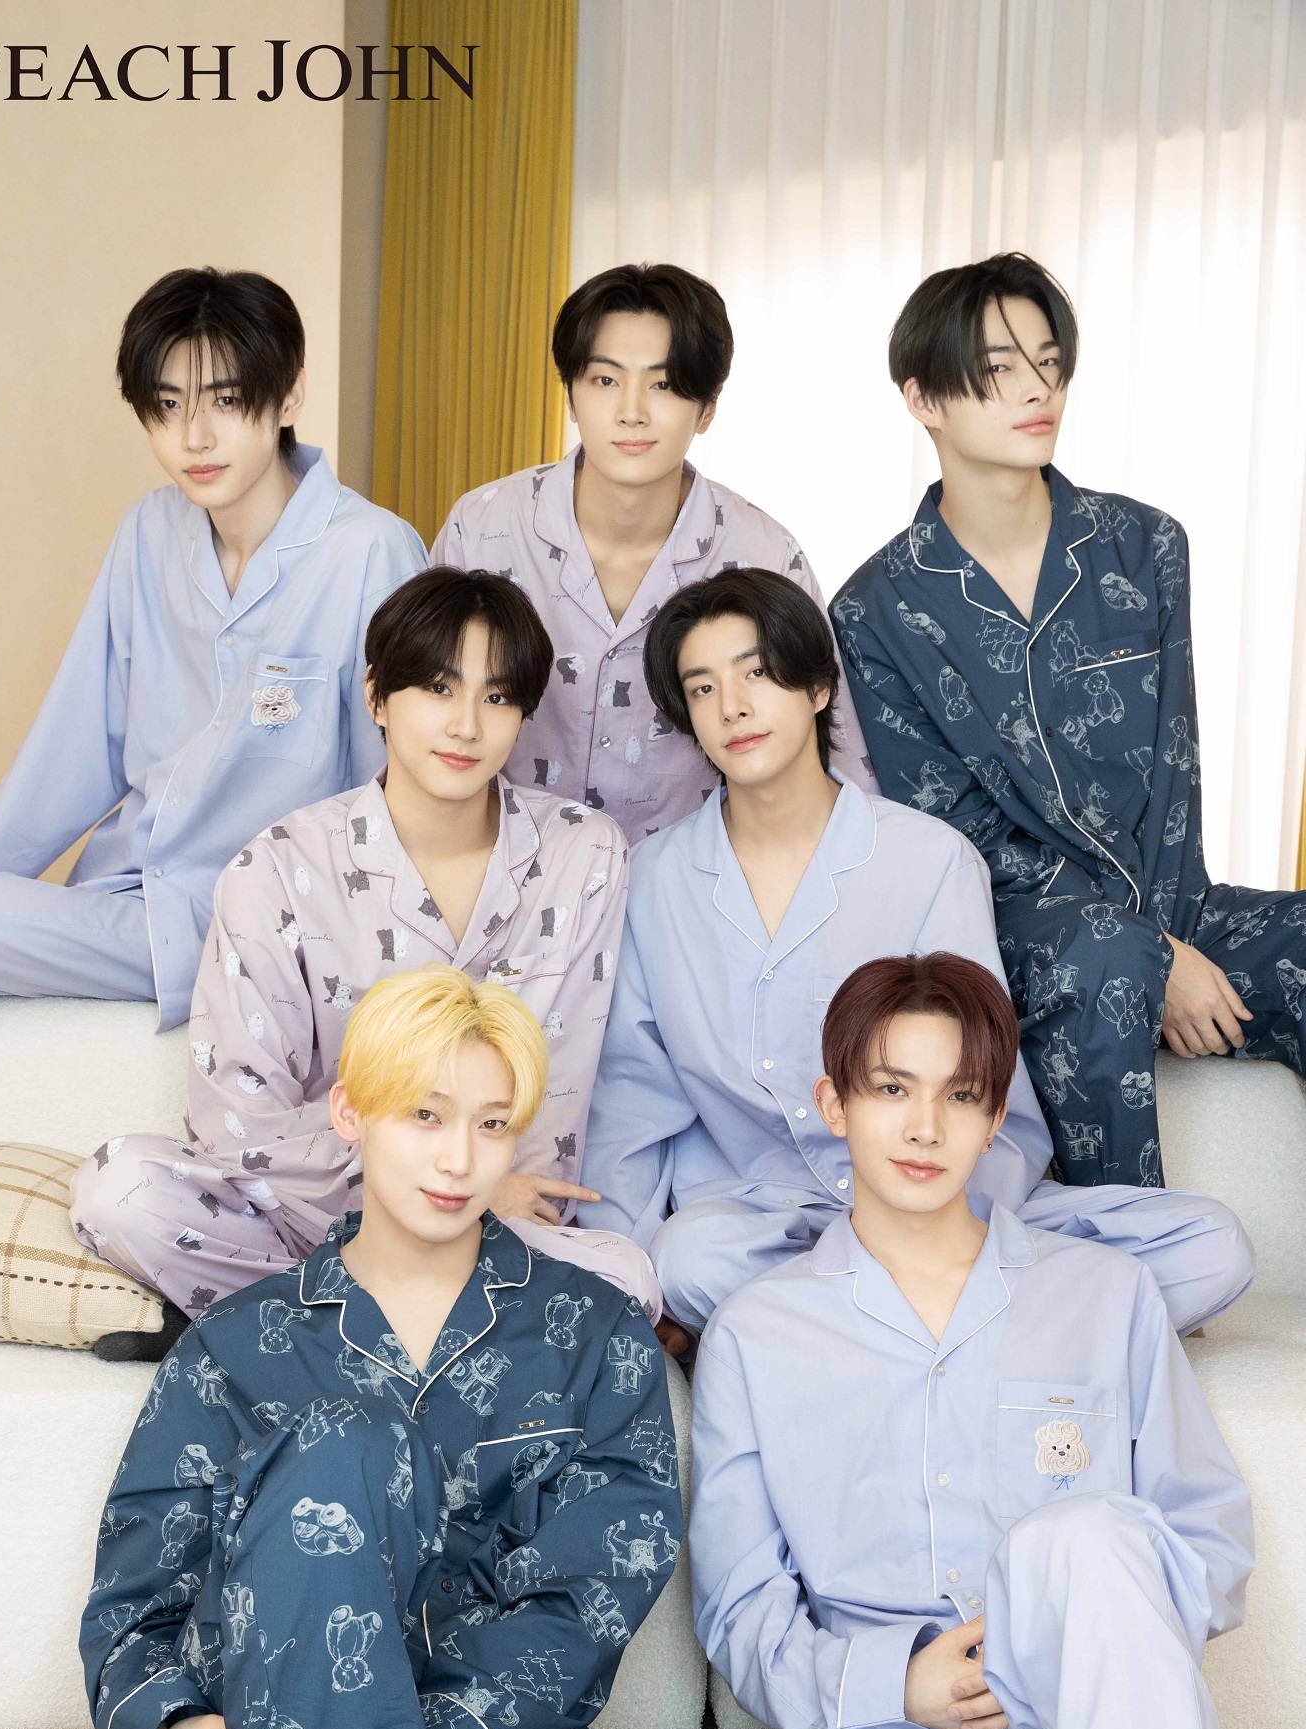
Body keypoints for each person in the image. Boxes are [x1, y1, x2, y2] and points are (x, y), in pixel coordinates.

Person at [0, 967, 708, 1729]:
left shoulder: (591, 1336)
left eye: (490, 1125)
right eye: (424, 1116)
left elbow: (588, 1602)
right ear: (351, 1114)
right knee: (349, 1439)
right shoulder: (234, 1344)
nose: (457, 1159)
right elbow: (137, 1598)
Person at [690, 951, 1306, 1729]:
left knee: (1077, 1539)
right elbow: (741, 1621)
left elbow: (1206, 1541)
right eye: (890, 1088)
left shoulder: (1103, 1296)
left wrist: (1079, 1631)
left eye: (959, 1094)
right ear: (832, 1104)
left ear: (993, 1119)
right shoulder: (754, 1337)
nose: (924, 1127)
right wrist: (899, 1681)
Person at [580, 567, 1251, 1345]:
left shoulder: (931, 860)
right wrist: (630, 1285)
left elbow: (986, 1082)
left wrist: (933, 1225)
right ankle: (969, 1336)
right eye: (702, 688)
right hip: (768, 1226)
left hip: (945, 1208)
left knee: (1211, 1245)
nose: (732, 706)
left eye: (756, 673)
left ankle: (850, 1335)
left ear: (818, 688)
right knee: (688, 1258)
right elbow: (631, 1103)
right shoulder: (654, 879)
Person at [72, 567, 656, 1357]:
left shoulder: (582, 854)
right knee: (121, 1190)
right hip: (318, 1217)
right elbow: (237, 1122)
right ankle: (407, 1335)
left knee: (627, 1281)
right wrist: (402, 1176)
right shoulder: (277, 868)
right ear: (377, 696)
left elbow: (554, 1092)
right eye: (438, 689)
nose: (466, 725)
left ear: (523, 714)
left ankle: (297, 1334)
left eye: (495, 697)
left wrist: (475, 1187)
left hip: (494, 1217)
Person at [831, 250, 1306, 1187]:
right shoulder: (876, 610)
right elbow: (955, 832)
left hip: (1172, 902)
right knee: (1105, 956)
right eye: (999, 369)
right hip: (1023, 935)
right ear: (923, 399)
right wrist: (1153, 955)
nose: (1036, 389)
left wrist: (1171, 935)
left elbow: (1175, 770)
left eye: (1049, 363)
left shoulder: (1144, 547)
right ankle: (1131, 1257)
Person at [0, 266, 425, 1027]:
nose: (194, 438)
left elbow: (400, 788)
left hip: (247, 921)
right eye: (169, 405)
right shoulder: (148, 533)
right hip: (120, 897)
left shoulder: (370, 552)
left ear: (289, 397)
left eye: (226, 401)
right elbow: (75, 745)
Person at [432, 261, 872, 843]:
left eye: (662, 385)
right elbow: (420, 711)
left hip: (695, 882)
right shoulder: (482, 528)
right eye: (605, 380)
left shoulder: (764, 551)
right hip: (503, 875)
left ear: (707, 408)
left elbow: (830, 747)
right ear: (571, 396)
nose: (631, 411)